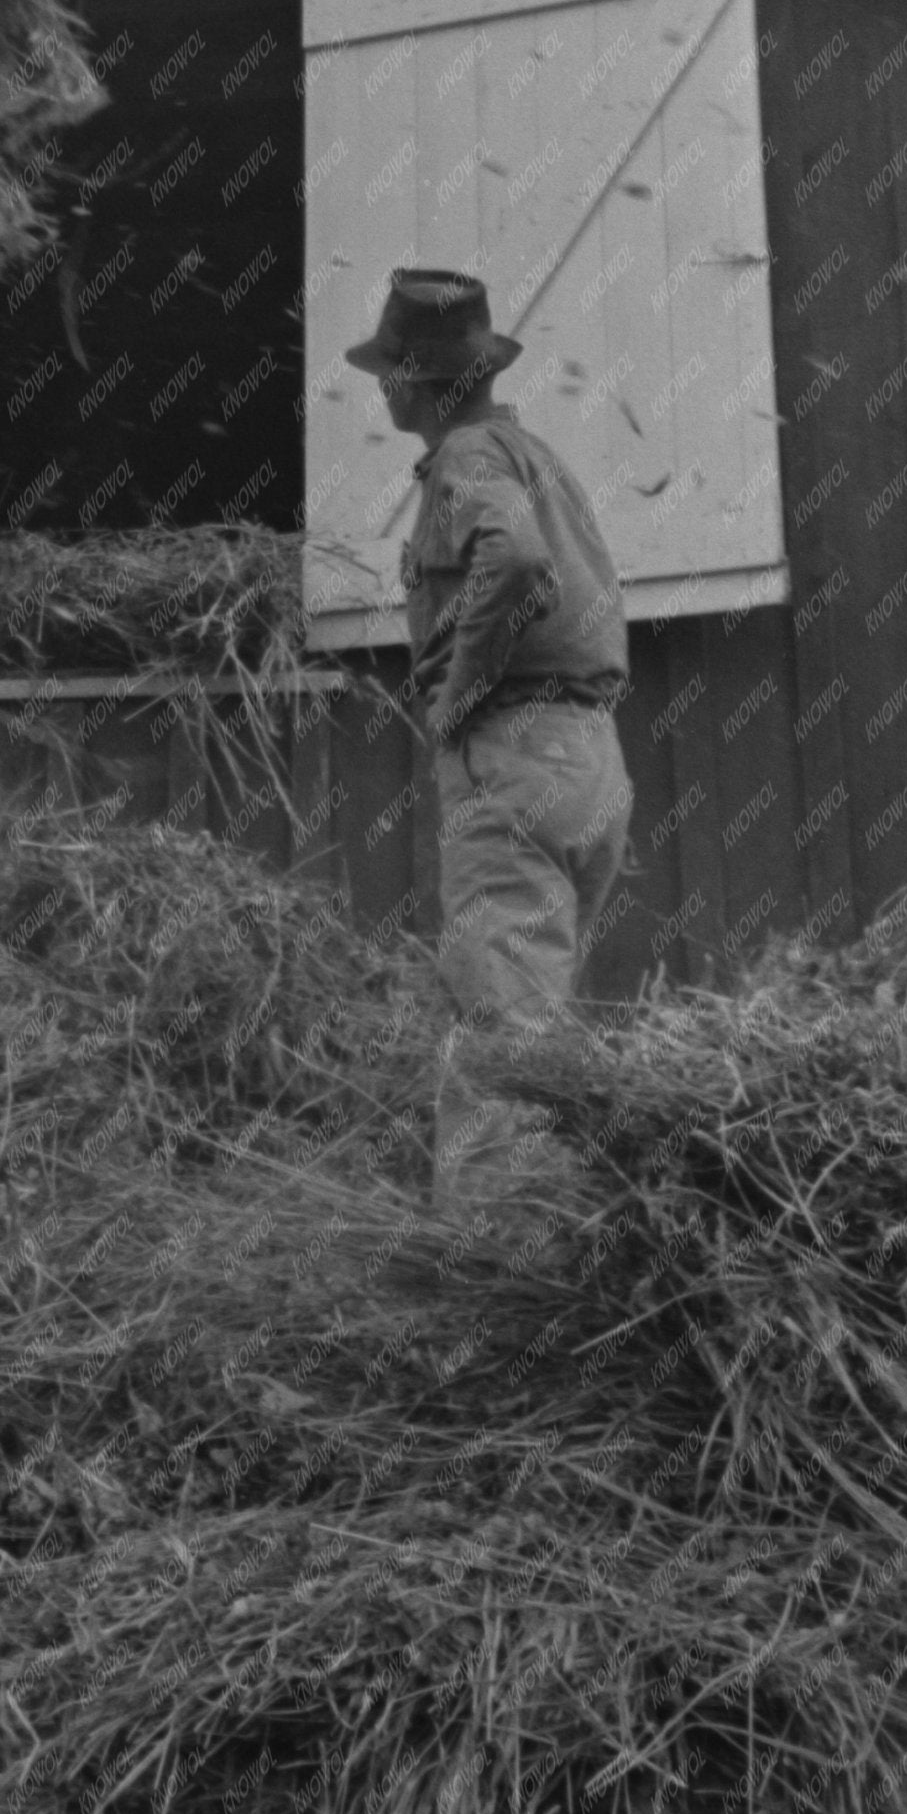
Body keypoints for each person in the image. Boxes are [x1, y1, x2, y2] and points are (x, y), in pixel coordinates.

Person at [348, 268, 634, 1223]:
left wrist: (458, 690)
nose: (380, 385)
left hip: (512, 753)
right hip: (587, 755)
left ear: (419, 383)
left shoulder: (468, 455)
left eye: (389, 369)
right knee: (535, 1029)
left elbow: (511, 560)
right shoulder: (532, 454)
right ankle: (550, 1247)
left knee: (499, 1037)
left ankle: (490, 1280)